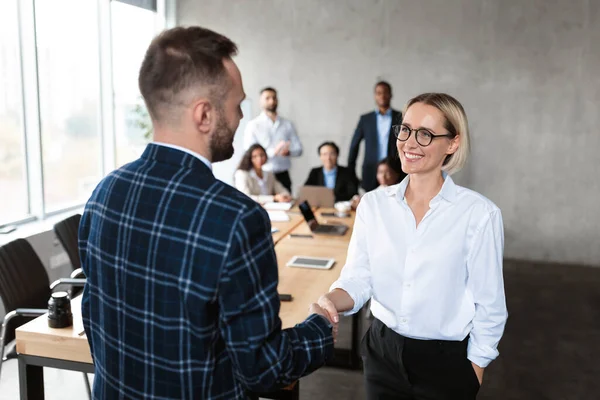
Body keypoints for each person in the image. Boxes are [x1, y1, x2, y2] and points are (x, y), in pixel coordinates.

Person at [79, 26, 335, 400]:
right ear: (204, 115)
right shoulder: (237, 219)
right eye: (236, 105)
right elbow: (263, 369)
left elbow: (95, 319)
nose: (241, 118)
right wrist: (319, 329)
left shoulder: (103, 193)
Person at [318, 93, 507, 399]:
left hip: (446, 364)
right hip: (382, 354)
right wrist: (330, 300)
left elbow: (490, 304)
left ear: (452, 143)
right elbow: (358, 277)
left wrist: (476, 368)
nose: (409, 142)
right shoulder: (373, 205)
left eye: (425, 134)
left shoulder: (480, 215)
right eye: (405, 129)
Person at [348, 81, 405, 192]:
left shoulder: (400, 117)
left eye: (385, 92)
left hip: (394, 171)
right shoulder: (366, 119)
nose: (382, 96)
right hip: (371, 171)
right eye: (379, 93)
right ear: (375, 96)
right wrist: (351, 173)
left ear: (391, 95)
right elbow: (354, 146)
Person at [243, 87, 302, 192]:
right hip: (262, 174)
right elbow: (249, 151)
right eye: (267, 98)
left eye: (274, 98)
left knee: (286, 202)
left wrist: (288, 152)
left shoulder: (287, 124)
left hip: (283, 174)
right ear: (260, 101)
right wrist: (273, 152)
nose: (272, 101)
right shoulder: (253, 125)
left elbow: (298, 149)